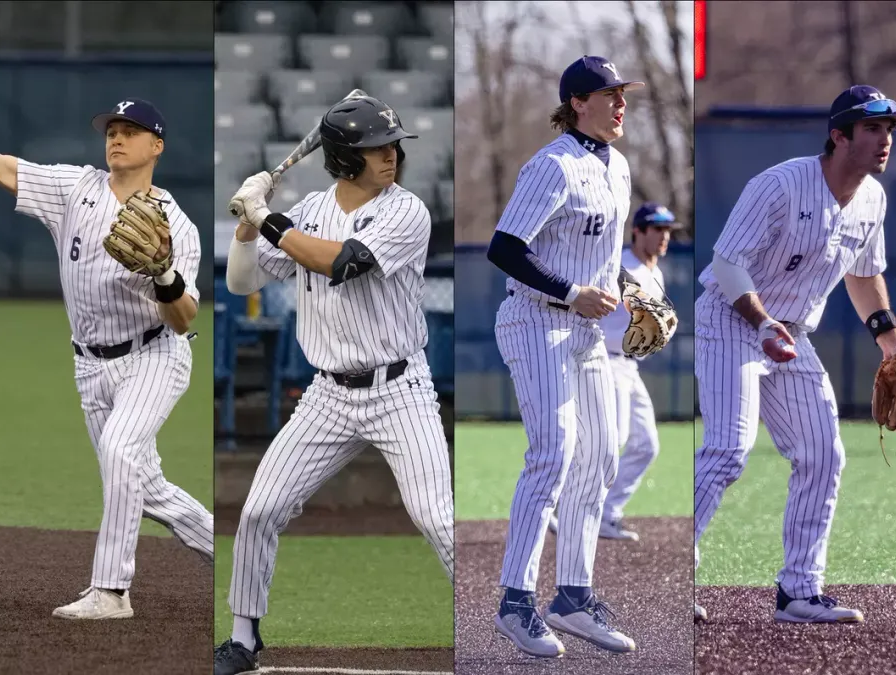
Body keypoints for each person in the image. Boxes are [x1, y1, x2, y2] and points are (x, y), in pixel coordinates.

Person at [213, 95, 454, 675]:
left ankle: (499, 616)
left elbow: (342, 262)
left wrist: (268, 218)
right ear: (346, 156)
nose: (391, 155)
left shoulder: (408, 211)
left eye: (392, 145)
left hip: (400, 389)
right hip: (327, 395)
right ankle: (243, 638)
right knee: (259, 510)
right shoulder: (312, 208)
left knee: (436, 517)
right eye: (376, 148)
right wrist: (247, 229)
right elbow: (243, 277)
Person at [0, 98, 214, 620]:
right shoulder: (74, 188)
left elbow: (183, 318)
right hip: (89, 365)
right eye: (111, 129)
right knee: (146, 491)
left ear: (158, 146)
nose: (116, 137)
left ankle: (111, 591)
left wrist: (165, 274)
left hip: (154, 355)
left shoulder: (178, 225)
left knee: (123, 454)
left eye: (131, 130)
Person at [693, 85, 896, 624]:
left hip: (792, 335)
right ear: (839, 136)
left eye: (889, 129)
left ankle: (799, 591)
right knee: (728, 448)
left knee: (823, 453)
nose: (885, 140)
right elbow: (727, 265)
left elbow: (864, 277)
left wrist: (895, 347)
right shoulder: (781, 184)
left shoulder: (873, 199)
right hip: (731, 319)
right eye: (871, 128)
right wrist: (762, 322)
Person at [484, 55, 644, 658]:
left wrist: (627, 289)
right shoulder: (551, 167)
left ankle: (573, 596)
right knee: (552, 454)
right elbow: (503, 248)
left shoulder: (619, 167)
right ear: (578, 102)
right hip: (536, 322)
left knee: (601, 456)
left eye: (623, 93)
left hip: (585, 334)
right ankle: (515, 602)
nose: (621, 103)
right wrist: (573, 292)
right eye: (610, 94)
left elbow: (599, 255)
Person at [549, 203, 681, 542]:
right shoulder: (621, 264)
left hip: (627, 364)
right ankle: (563, 507)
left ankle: (606, 513)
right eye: (656, 229)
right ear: (637, 231)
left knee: (647, 444)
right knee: (613, 439)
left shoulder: (656, 272)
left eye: (668, 230)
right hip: (603, 358)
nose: (663, 236)